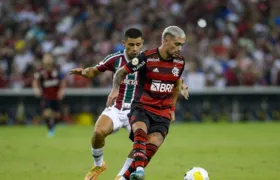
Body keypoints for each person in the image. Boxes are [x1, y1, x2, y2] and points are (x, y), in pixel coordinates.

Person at [107, 26, 187, 180]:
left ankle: (124, 178)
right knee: (140, 133)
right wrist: (115, 89)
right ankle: (140, 171)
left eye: (182, 45)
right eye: (177, 44)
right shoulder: (146, 58)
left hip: (162, 113)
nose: (180, 48)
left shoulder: (180, 62)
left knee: (152, 146)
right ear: (165, 40)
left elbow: (177, 84)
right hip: (142, 107)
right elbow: (121, 72)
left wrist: (172, 108)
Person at [69, 28, 145, 180]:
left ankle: (122, 175)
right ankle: (99, 164)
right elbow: (95, 70)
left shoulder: (147, 61)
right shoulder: (115, 59)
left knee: (143, 144)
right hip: (116, 108)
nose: (135, 48)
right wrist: (85, 72)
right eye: (131, 44)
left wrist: (180, 84)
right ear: (124, 43)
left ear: (142, 43)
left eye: (138, 44)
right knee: (98, 132)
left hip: (137, 110)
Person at [32, 53, 66, 137]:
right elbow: (35, 81)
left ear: (52, 59)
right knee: (46, 114)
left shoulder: (57, 68)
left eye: (49, 57)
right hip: (46, 96)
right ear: (43, 59)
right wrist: (36, 89)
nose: (47, 59)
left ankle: (53, 126)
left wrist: (61, 90)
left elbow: (63, 80)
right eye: (46, 58)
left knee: (57, 115)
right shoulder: (40, 70)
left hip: (56, 95)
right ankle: (50, 129)